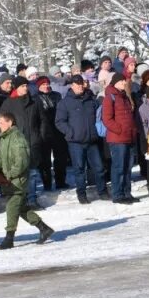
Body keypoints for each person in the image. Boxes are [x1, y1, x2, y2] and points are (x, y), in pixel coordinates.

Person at [0, 112, 55, 250]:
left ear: (10, 123)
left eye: (1, 123)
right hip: (9, 180)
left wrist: (9, 174)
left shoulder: (17, 138)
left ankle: (9, 239)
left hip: (18, 181)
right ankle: (44, 228)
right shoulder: (4, 138)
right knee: (20, 209)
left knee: (11, 207)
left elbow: (22, 162)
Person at [55, 74, 108, 204]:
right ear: (72, 85)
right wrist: (70, 132)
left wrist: (97, 130)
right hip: (75, 142)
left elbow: (99, 116)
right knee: (79, 170)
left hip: (92, 140)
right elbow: (59, 121)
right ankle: (82, 194)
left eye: (81, 84)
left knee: (99, 168)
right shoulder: (65, 103)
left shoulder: (91, 100)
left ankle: (102, 191)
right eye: (77, 84)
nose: (80, 87)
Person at [1, 77, 45, 207]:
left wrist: (40, 136)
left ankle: (32, 199)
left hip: (33, 142)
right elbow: (2, 124)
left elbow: (42, 120)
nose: (25, 88)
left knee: (32, 173)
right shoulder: (8, 103)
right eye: (22, 86)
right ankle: (20, 200)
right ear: (16, 88)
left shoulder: (34, 102)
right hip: (16, 145)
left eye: (26, 85)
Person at [103, 73, 138, 203]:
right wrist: (120, 130)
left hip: (129, 137)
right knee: (119, 167)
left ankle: (127, 193)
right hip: (118, 139)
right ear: (116, 82)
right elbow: (107, 119)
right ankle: (117, 194)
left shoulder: (124, 97)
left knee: (128, 167)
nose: (124, 83)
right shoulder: (110, 97)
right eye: (122, 81)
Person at [35, 77, 69, 190]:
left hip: (57, 131)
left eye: (47, 84)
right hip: (43, 131)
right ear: (38, 86)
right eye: (43, 84)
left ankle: (60, 181)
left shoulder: (57, 96)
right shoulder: (35, 99)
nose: (45, 86)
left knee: (60, 158)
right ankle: (47, 183)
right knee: (45, 161)